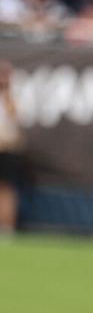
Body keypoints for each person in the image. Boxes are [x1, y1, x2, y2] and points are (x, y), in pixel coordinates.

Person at [0, 62, 23, 234]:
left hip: (6, 150)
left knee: (6, 190)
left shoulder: (12, 97)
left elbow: (16, 121)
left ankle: (6, 228)